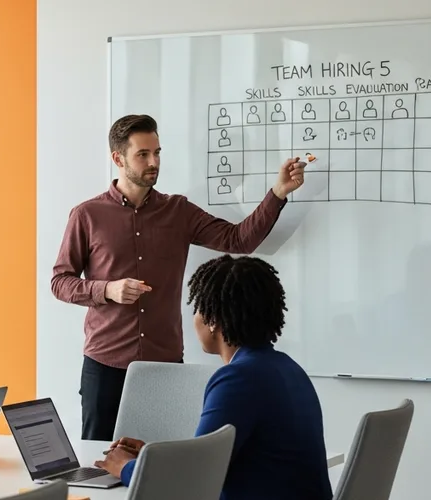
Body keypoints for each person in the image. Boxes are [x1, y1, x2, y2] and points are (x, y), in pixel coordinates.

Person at [50, 114, 305, 441]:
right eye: (143, 154)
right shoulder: (87, 215)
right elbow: (60, 281)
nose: (153, 162)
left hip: (166, 366)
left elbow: (239, 239)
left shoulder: (179, 211)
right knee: (99, 467)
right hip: (106, 366)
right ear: (118, 158)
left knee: (166, 464)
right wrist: (107, 289)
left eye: (157, 152)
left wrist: (278, 192)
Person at [94, 256, 333, 500]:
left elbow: (195, 479)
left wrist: (125, 467)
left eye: (198, 307)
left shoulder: (239, 379)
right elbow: (218, 458)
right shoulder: (288, 368)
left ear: (213, 320)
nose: (195, 317)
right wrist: (152, 456)